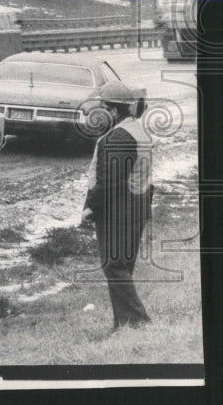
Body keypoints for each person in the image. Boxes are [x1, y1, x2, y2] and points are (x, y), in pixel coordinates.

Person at [82, 80, 153, 330]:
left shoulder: (118, 138)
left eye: (102, 109)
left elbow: (109, 181)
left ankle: (137, 321)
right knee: (122, 266)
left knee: (115, 266)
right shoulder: (136, 130)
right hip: (136, 207)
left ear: (112, 111)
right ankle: (123, 323)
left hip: (119, 210)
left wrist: (90, 207)